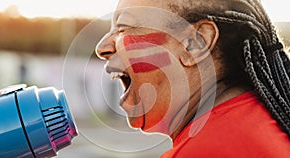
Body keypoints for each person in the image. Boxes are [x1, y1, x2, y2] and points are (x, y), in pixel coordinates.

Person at [96, 0, 290, 157]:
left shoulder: (203, 150)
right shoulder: (262, 122)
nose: (102, 47)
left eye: (123, 28)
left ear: (194, 44)